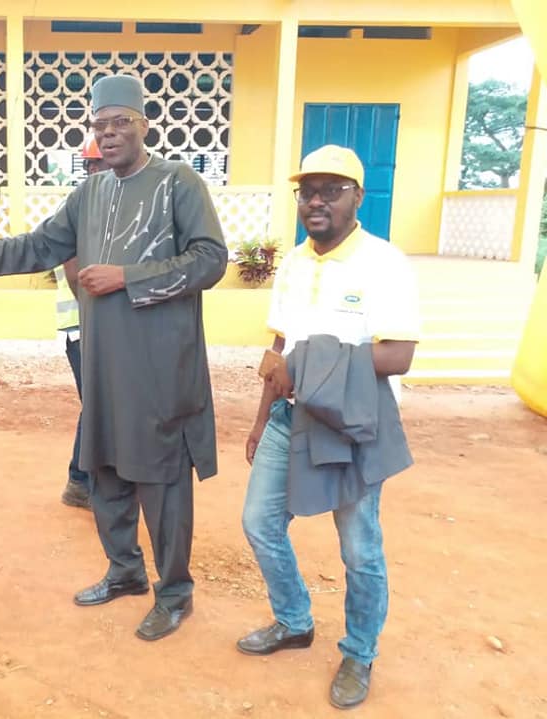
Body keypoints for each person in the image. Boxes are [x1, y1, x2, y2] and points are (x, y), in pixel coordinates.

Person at [0, 75, 228, 641]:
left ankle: (176, 592)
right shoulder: (90, 194)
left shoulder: (177, 182)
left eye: (120, 124)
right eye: (100, 126)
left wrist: (127, 277)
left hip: (161, 365)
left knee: (160, 477)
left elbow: (211, 260)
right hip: (103, 360)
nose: (109, 135)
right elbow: (40, 245)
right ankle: (125, 572)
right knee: (104, 464)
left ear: (143, 125)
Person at [237, 145, 420, 709]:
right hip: (290, 419)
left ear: (357, 197)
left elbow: (398, 356)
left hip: (352, 424)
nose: (316, 201)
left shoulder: (384, 262)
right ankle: (294, 621)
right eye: (307, 191)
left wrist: (305, 364)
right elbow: (279, 348)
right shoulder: (293, 262)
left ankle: (359, 652)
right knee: (259, 522)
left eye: (331, 190)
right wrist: (261, 415)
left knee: (360, 548)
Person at [57, 133, 108, 510]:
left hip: (94, 328)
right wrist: (97, 321)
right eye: (96, 163)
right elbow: (74, 271)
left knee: (99, 405)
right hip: (85, 328)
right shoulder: (83, 210)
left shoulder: (107, 207)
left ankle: (80, 480)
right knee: (98, 406)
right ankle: (83, 482)